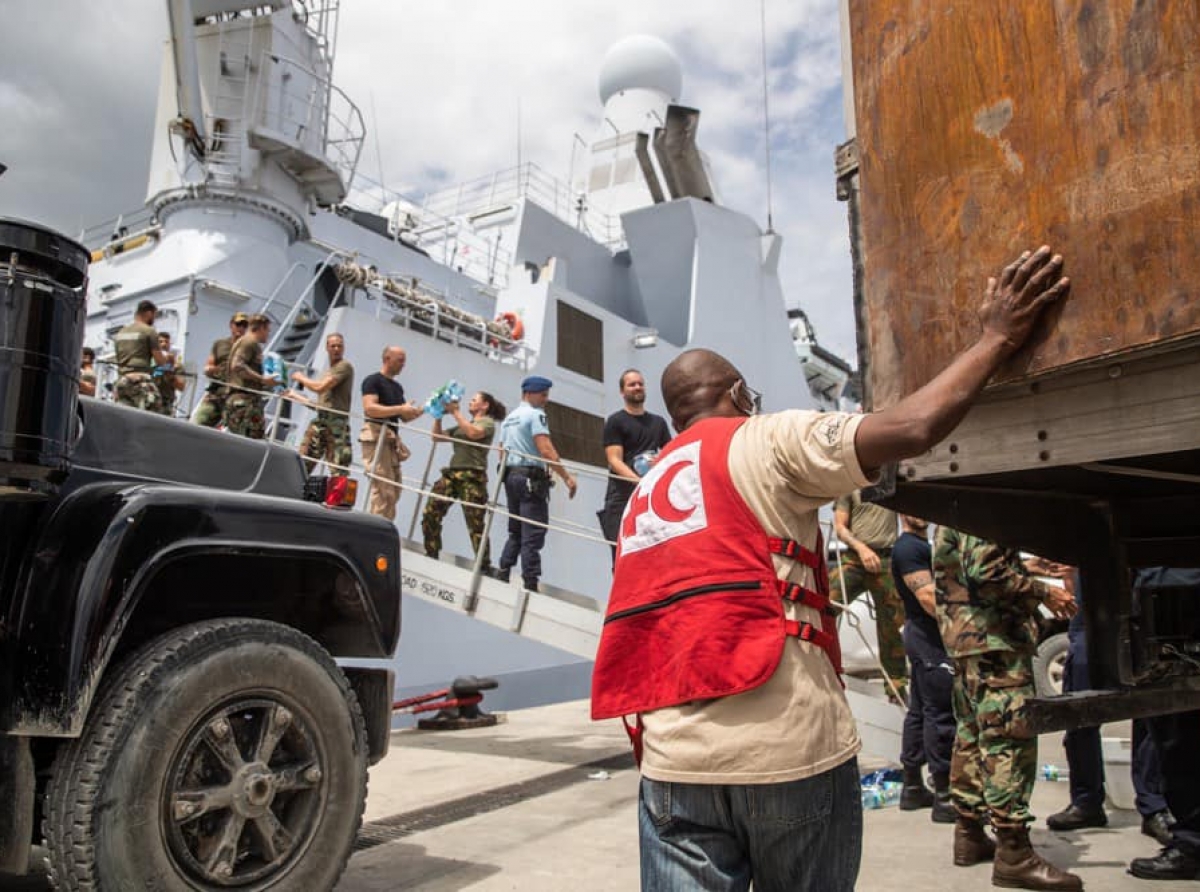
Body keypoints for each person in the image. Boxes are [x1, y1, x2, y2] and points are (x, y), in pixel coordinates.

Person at [591, 246, 1071, 891]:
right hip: (787, 751)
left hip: (674, 765)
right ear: (736, 393)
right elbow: (913, 425)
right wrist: (998, 335)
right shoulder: (762, 436)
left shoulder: (643, 497)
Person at [934, 527, 1081, 891]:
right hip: (994, 640)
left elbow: (975, 565)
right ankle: (1014, 853)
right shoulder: (982, 504)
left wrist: (1029, 565)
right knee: (1009, 741)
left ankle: (969, 833)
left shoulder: (954, 502)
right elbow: (986, 573)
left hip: (969, 639)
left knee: (970, 736)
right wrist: (1045, 592)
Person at [1045, 572, 1172, 845]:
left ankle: (1153, 806)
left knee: (1149, 710)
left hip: (1142, 600)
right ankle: (1086, 801)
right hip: (1092, 611)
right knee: (1079, 711)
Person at [1129, 568, 1200, 882]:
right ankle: (1190, 843)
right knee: (1173, 734)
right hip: (1165, 605)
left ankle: (1192, 845)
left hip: (1178, 598)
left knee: (1180, 736)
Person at [892, 514, 956, 823]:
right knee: (939, 713)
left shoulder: (919, 546)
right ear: (902, 513)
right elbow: (928, 597)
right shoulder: (909, 548)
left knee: (919, 711)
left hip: (922, 637)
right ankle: (944, 795)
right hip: (928, 638)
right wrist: (959, 626)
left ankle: (913, 787)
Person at [497, 375, 578, 592]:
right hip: (530, 478)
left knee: (515, 529)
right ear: (529, 393)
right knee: (533, 531)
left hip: (510, 476)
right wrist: (567, 477)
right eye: (543, 394)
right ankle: (530, 581)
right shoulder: (536, 415)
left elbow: (501, 451)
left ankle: (504, 569)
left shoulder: (509, 418)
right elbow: (546, 450)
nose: (546, 399)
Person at [831, 488, 906, 700]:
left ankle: (896, 688)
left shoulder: (890, 483)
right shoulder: (850, 485)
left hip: (885, 560)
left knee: (891, 624)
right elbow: (840, 527)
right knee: (822, 606)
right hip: (854, 558)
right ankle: (818, 667)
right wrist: (861, 548)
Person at [421, 391, 506, 570]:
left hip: (472, 477)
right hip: (453, 474)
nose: (470, 402)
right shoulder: (463, 424)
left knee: (475, 524)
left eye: (474, 400)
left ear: (485, 405)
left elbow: (474, 434)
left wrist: (456, 413)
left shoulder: (487, 423)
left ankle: (483, 564)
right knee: (431, 512)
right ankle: (431, 551)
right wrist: (438, 416)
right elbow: (437, 437)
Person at [596, 369, 671, 565]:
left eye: (640, 383)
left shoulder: (659, 423)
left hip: (650, 499)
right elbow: (614, 460)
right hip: (621, 497)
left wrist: (660, 460)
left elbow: (670, 453)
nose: (637, 387)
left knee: (652, 553)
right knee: (621, 555)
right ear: (622, 391)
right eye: (632, 384)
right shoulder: (615, 421)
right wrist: (639, 482)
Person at [360, 346, 422, 520]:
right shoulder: (372, 381)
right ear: (387, 359)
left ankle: (382, 528)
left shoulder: (397, 387)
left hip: (389, 442)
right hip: (376, 437)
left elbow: (406, 416)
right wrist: (401, 408)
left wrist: (429, 407)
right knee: (383, 490)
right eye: (400, 360)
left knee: (394, 490)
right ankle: (373, 532)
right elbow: (370, 408)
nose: (403, 365)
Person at [291, 333, 355, 474]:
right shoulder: (328, 372)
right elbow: (323, 405)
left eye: (340, 346)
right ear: (327, 348)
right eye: (333, 346)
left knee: (339, 470)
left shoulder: (344, 367)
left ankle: (337, 496)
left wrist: (301, 377)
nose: (337, 349)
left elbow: (319, 388)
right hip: (321, 421)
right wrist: (295, 396)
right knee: (302, 462)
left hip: (336, 425)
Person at [222, 314, 278, 439]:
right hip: (245, 402)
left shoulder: (244, 342)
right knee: (253, 444)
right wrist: (262, 379)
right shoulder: (249, 343)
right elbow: (237, 366)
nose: (268, 334)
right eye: (267, 330)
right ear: (261, 328)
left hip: (242, 401)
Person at [112, 299, 170, 413]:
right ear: (149, 313)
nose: (154, 319)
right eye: (154, 316)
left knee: (124, 417)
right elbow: (160, 361)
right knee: (153, 416)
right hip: (140, 380)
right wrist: (167, 359)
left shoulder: (121, 332)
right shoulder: (149, 331)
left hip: (122, 381)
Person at [195, 312, 248, 427]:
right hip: (217, 393)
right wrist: (210, 370)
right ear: (231, 325)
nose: (241, 328)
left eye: (244, 325)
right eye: (238, 324)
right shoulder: (219, 344)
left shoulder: (249, 348)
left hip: (236, 396)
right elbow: (209, 365)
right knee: (198, 422)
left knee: (235, 431)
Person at [155, 332, 185, 418]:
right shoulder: (150, 362)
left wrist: (170, 372)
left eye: (166, 342)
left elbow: (181, 387)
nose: (164, 344)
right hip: (149, 400)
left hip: (166, 403)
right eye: (160, 342)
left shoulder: (176, 365)